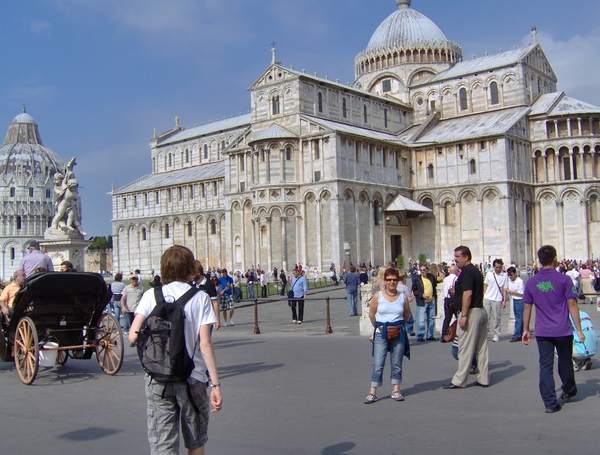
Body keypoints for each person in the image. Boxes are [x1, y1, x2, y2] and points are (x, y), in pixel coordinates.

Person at [128, 245, 222, 455]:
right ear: (190, 269)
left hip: (158, 378)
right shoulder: (200, 298)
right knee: (195, 441)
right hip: (192, 377)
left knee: (163, 445)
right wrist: (215, 384)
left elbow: (132, 335)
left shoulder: (152, 295)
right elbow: (205, 344)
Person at [522, 245, 584, 413]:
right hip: (563, 329)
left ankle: (550, 402)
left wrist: (525, 329)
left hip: (542, 331)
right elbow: (572, 304)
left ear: (540, 261)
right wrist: (579, 329)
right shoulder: (564, 280)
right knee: (565, 361)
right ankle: (569, 388)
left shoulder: (532, 282)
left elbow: (527, 307)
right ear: (555, 259)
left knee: (545, 366)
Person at [443, 245, 489, 389]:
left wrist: (463, 315)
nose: (455, 260)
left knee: (464, 348)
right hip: (480, 310)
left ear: (466, 257)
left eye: (457, 257)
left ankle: (459, 380)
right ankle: (483, 378)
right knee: (481, 348)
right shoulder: (475, 271)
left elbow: (468, 294)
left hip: (471, 312)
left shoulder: (467, 272)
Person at [364, 267, 410, 404]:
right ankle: (372, 392)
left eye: (394, 280)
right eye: (389, 279)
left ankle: (396, 390)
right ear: (384, 281)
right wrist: (378, 327)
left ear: (398, 281)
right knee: (378, 363)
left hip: (398, 332)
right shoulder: (378, 296)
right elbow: (372, 315)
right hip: (381, 332)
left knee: (397, 362)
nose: (392, 282)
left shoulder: (403, 297)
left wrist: (398, 326)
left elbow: (406, 314)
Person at [483, 258, 509, 342]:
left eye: (499, 267)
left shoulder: (504, 275)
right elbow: (485, 285)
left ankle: (496, 335)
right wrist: (483, 296)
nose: (498, 269)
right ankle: (485, 335)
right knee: (486, 318)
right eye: (497, 267)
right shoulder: (489, 274)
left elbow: (505, 289)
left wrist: (504, 300)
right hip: (487, 298)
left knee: (497, 318)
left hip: (497, 299)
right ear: (494, 267)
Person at [412, 264, 438, 341]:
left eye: (424, 270)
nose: (423, 271)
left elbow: (434, 286)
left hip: (431, 301)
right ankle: (420, 335)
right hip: (422, 302)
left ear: (427, 270)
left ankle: (430, 335)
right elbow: (414, 290)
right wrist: (421, 295)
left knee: (431, 319)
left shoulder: (431, 277)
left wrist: (433, 295)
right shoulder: (417, 279)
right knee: (421, 320)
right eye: (421, 270)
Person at [194, 261, 220, 330]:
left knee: (203, 340)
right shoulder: (191, 284)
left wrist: (217, 319)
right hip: (193, 318)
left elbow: (214, 302)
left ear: (198, 273)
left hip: (206, 318)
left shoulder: (209, 284)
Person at [506, 266, 525, 342]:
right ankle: (521, 333)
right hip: (514, 300)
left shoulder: (520, 281)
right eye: (509, 275)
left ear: (515, 274)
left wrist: (510, 291)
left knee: (518, 319)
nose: (510, 277)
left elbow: (521, 293)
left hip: (520, 301)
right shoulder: (510, 280)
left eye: (511, 275)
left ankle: (517, 335)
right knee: (520, 319)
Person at [440, 265, 458, 342]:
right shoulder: (456, 279)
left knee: (447, 318)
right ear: (456, 271)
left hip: (446, 300)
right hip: (453, 300)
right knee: (458, 317)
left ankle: (443, 335)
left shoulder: (445, 279)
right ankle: (456, 334)